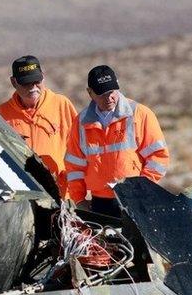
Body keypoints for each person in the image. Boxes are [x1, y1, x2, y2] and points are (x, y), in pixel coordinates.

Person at [64, 65, 170, 216]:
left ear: (117, 85)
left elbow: (158, 157)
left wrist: (141, 189)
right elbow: (74, 165)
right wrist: (79, 199)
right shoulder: (81, 122)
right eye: (101, 94)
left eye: (111, 91)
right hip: (100, 204)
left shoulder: (140, 114)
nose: (109, 98)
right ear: (90, 93)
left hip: (136, 200)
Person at [0, 55, 77, 198]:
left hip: (62, 194)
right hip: (21, 196)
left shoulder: (61, 104)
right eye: (26, 83)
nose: (33, 88)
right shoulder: (1, 114)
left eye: (37, 81)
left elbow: (80, 148)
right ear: (14, 82)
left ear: (43, 77)